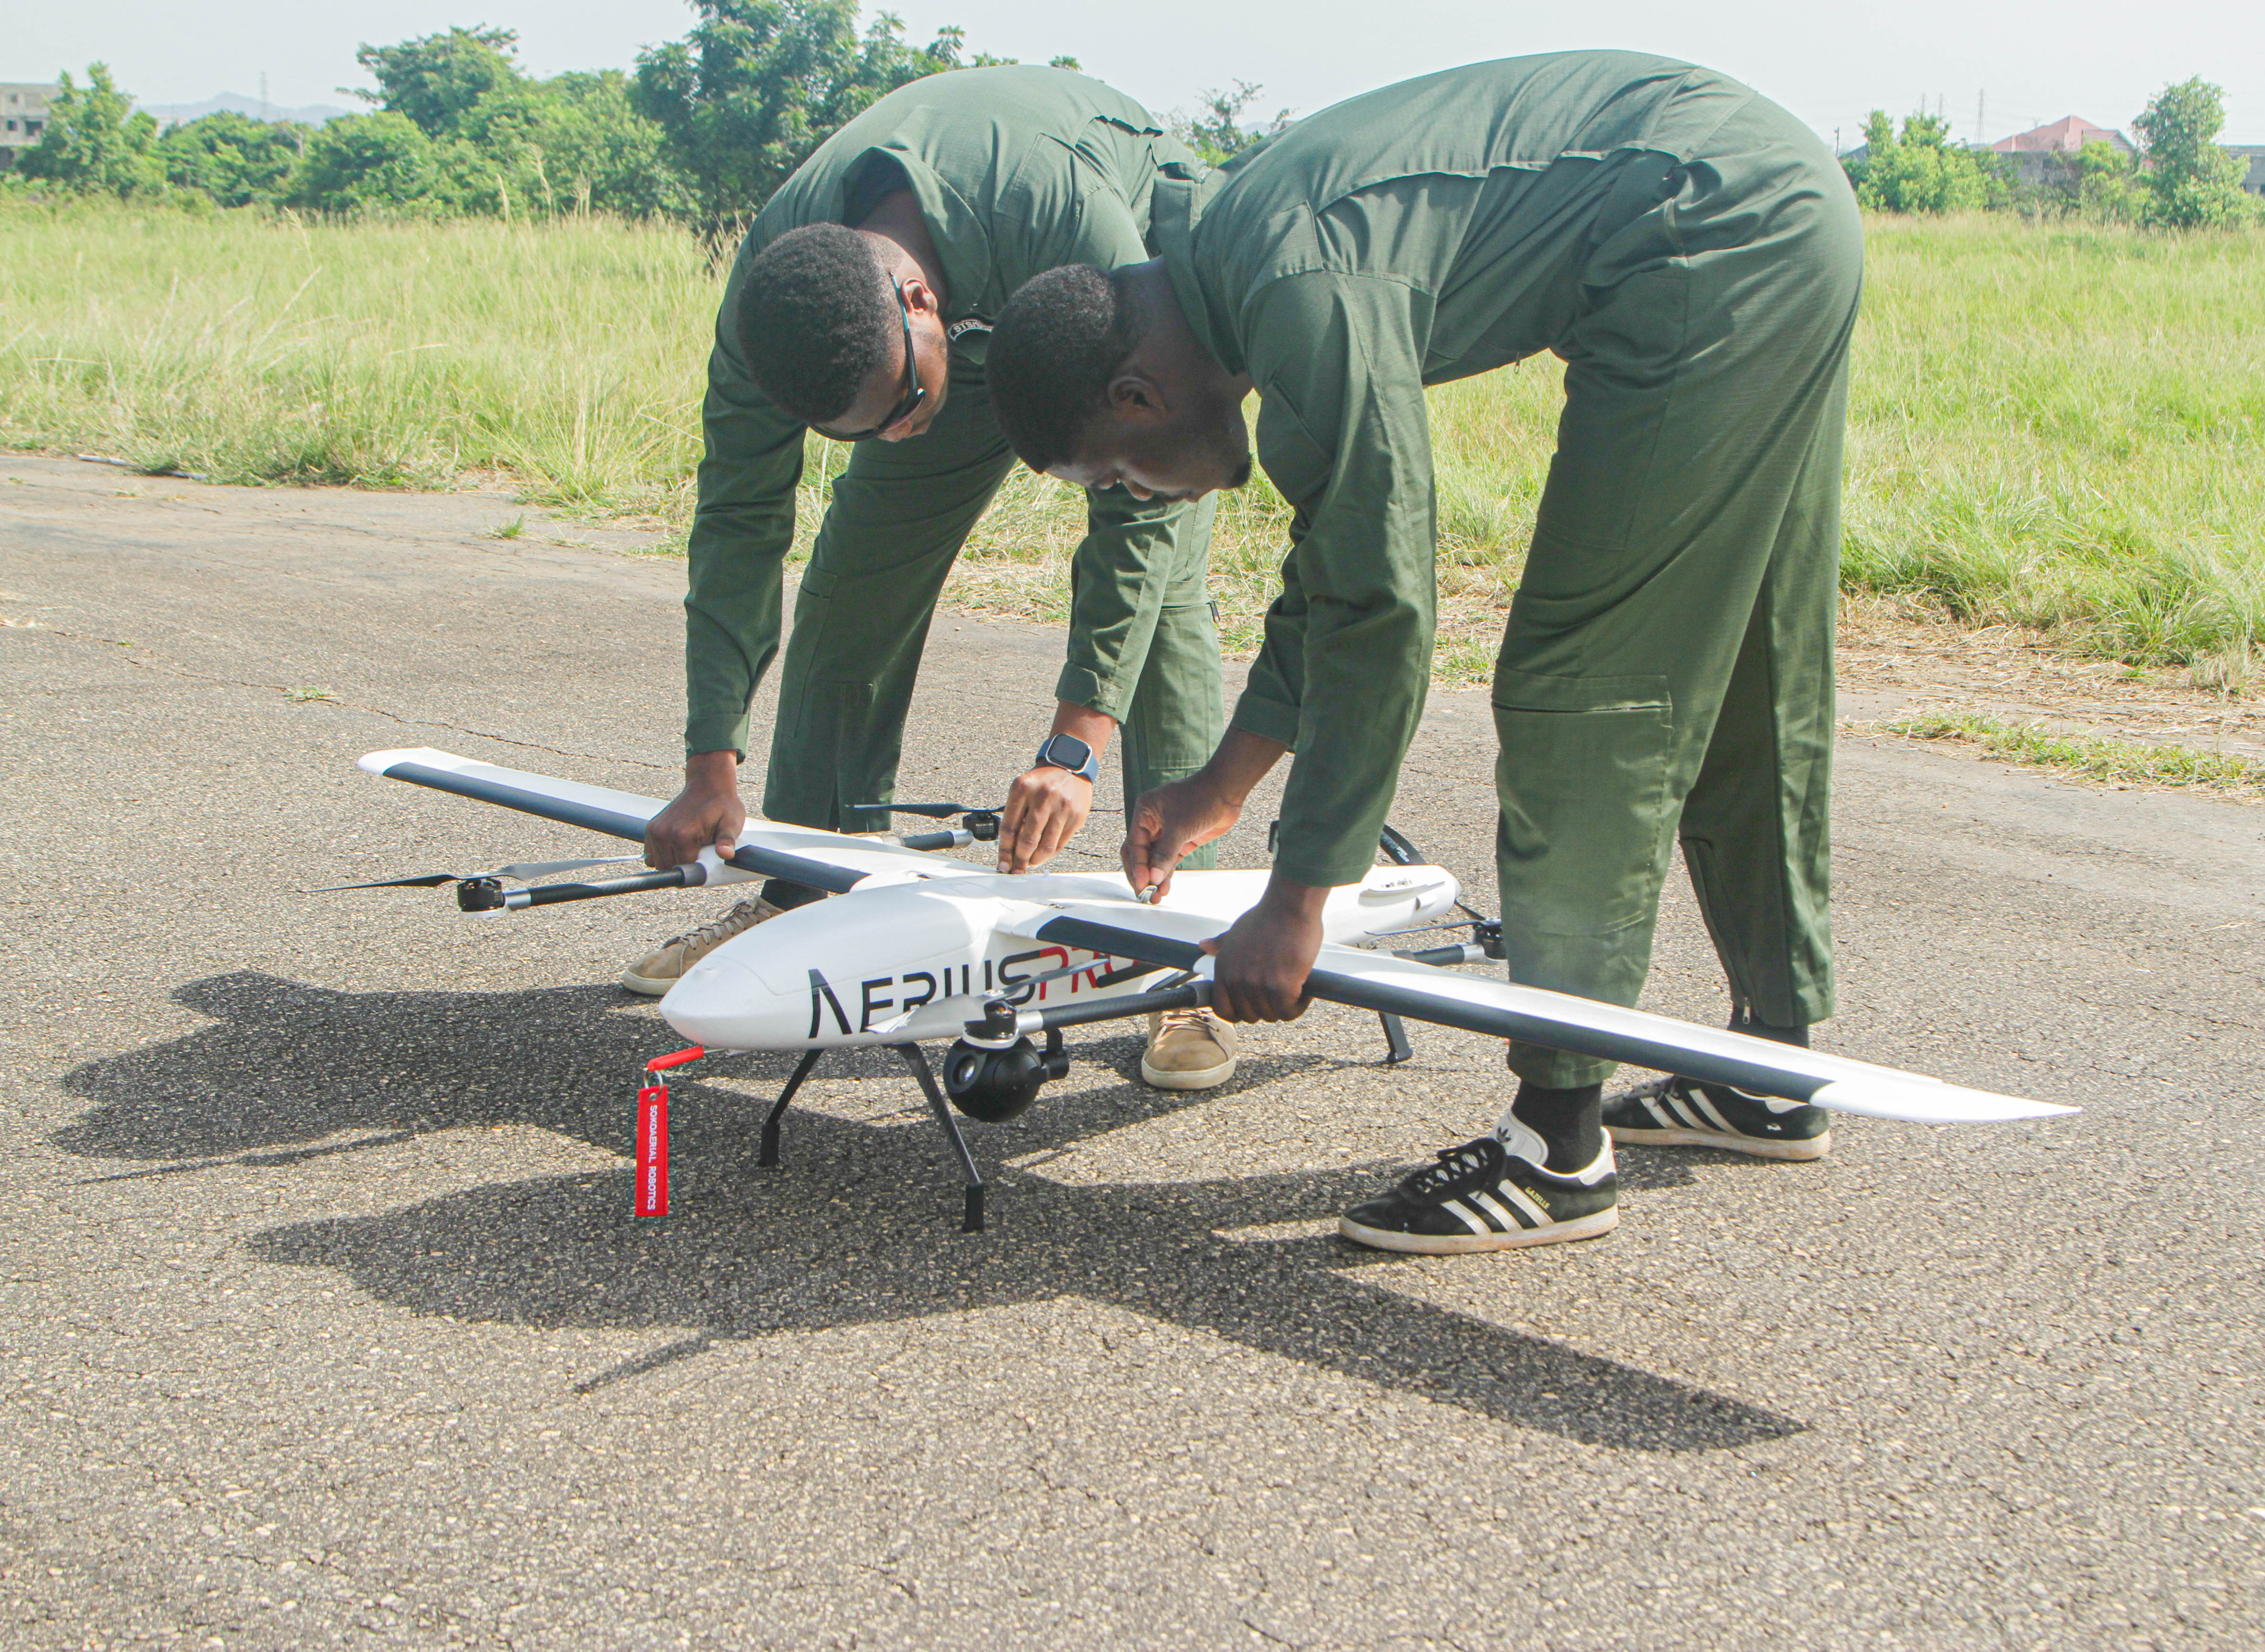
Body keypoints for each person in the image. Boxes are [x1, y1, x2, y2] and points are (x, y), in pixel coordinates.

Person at [985, 52, 1864, 1249]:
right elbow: (1336, 567)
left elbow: (1384, 605)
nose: (1145, 493)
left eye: (1121, 475)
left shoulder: (1293, 285)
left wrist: (1299, 903)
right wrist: (1220, 788)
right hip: (1767, 198)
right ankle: (1771, 1065)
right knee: (1745, 665)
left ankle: (1556, 1144)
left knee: (1584, 687)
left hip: (1711, 233)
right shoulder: (1244, 272)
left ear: (1136, 397)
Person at [629, 65, 1244, 1090]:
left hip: (1132, 301)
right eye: (872, 428)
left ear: (920, 301)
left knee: (1166, 603)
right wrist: (710, 762)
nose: (901, 438)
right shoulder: (776, 306)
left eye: (903, 410)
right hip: (940, 337)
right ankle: (809, 893)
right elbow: (737, 522)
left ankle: (1187, 956)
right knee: (854, 576)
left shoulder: (1060, 206)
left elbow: (1133, 526)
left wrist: (1076, 745)